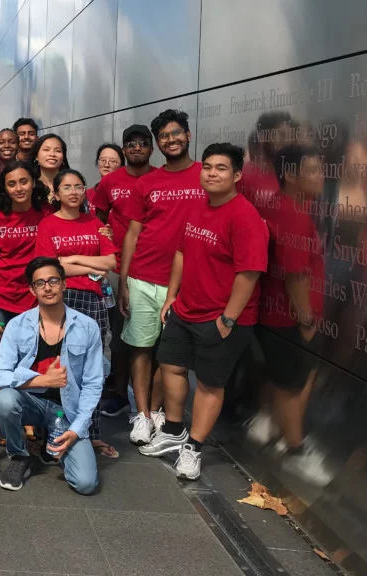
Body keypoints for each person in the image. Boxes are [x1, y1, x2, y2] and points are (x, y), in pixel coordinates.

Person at [142, 143, 268, 481]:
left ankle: (193, 448)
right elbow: (181, 252)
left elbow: (250, 272)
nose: (211, 173)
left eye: (221, 168)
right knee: (171, 367)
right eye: (208, 166)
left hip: (222, 318)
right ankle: (174, 429)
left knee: (211, 384)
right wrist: (172, 297)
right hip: (185, 309)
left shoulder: (245, 217)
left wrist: (228, 318)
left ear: (237, 175)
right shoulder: (199, 206)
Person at [119, 110, 205, 446]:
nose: (170, 140)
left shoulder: (204, 175)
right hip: (143, 276)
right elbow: (132, 234)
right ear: (159, 144)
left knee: (171, 355)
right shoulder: (147, 183)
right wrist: (125, 279)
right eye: (164, 137)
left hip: (186, 284)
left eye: (175, 134)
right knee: (140, 349)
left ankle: (156, 409)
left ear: (188, 135)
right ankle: (141, 415)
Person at [250, 144, 331, 486]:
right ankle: (295, 450)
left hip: (271, 314)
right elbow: (296, 274)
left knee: (279, 376)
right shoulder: (295, 214)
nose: (321, 177)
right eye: (313, 170)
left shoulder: (278, 206)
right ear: (292, 175)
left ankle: (266, 425)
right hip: (287, 318)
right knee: (290, 384)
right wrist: (307, 319)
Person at [0, 257, 103, 493]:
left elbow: (93, 384)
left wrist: (77, 430)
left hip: (67, 410)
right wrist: (42, 380)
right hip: (33, 403)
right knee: (5, 400)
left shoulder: (87, 326)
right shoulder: (17, 325)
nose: (47, 287)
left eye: (53, 280)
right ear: (32, 289)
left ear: (63, 284)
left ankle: (54, 437)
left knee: (86, 483)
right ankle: (20, 456)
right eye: (40, 283)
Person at [37, 169, 119, 459]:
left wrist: (73, 259)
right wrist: (90, 267)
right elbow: (51, 269)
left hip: (92, 301)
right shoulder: (47, 225)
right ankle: (56, 429)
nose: (73, 192)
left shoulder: (96, 222)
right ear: (56, 194)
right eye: (67, 187)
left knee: (89, 369)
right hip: (60, 298)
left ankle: (90, 433)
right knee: (58, 367)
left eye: (79, 186)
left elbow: (110, 261)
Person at [93, 125, 155, 417]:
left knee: (151, 339)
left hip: (156, 266)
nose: (136, 148)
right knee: (119, 335)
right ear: (124, 149)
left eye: (143, 143)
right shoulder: (110, 182)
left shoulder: (160, 178)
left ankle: (153, 401)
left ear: (151, 148)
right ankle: (119, 393)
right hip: (119, 266)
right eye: (131, 143)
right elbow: (100, 214)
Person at [0, 161, 48, 340]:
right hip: (3, 300)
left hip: (39, 297)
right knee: (1, 358)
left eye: (24, 181)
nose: (19, 188)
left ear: (34, 183)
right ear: (4, 188)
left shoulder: (46, 213)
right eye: (12, 184)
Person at [88, 143, 124, 210]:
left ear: (121, 166)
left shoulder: (125, 194)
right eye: (103, 160)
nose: (106, 165)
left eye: (113, 161)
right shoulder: (86, 195)